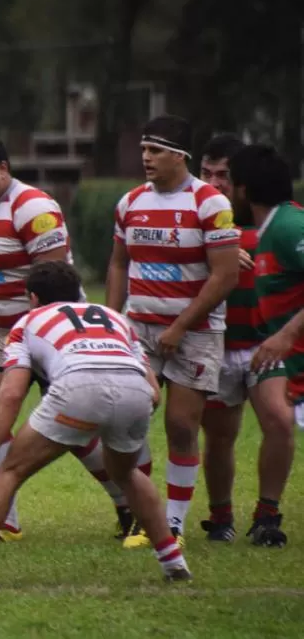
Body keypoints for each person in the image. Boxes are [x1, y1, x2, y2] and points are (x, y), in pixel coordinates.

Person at [0, 261, 191, 587]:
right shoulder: (116, 319)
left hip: (77, 388)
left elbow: (11, 394)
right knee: (127, 473)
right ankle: (174, 564)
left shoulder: (26, 322)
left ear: (32, 298)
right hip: (135, 392)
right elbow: (153, 392)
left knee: (9, 472)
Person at [0, 133, 134, 542]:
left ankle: (126, 501)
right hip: (0, 329)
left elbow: (56, 282)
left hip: (51, 330)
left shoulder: (33, 208)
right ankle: (6, 518)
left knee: (73, 431)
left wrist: (38, 335)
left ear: (3, 170)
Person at [106, 115, 241, 548]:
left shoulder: (211, 205)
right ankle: (148, 516)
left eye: (156, 150)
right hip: (139, 329)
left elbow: (224, 277)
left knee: (181, 425)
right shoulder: (130, 203)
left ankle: (175, 522)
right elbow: (119, 263)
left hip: (196, 333)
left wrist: (181, 326)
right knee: (126, 421)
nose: (146, 158)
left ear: (180, 156)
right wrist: (113, 321)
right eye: (144, 149)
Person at [197, 135, 294, 544]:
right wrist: (213, 251)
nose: (215, 183)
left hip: (264, 344)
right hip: (216, 343)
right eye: (207, 173)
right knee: (219, 435)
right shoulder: (197, 218)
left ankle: (267, 515)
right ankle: (221, 519)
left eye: (224, 175)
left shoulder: (274, 221)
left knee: (280, 420)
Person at [228, 143, 301, 545]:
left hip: (290, 353)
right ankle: (266, 517)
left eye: (229, 184)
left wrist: (287, 333)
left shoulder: (290, 227)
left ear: (243, 190)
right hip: (289, 363)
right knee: (279, 419)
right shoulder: (271, 230)